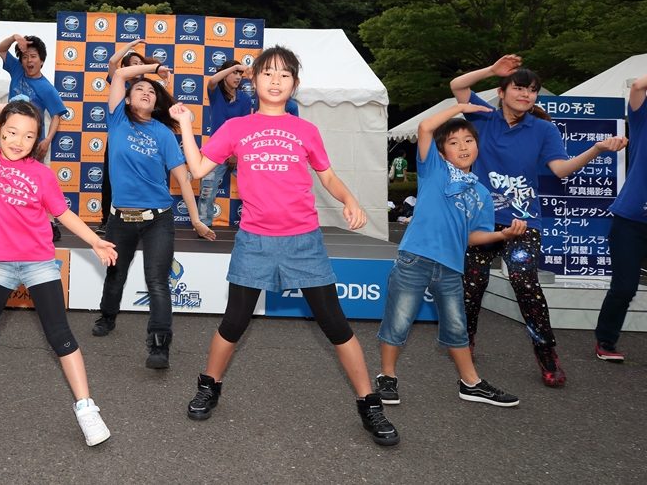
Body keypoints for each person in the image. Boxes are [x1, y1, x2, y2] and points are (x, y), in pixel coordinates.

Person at [171, 46, 400, 447]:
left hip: (303, 241)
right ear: (254, 81)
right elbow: (197, 168)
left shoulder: (306, 130)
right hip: (254, 241)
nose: (275, 80)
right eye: (267, 73)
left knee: (336, 325)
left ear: (295, 84)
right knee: (234, 322)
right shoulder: (236, 128)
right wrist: (186, 126)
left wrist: (350, 200)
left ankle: (370, 403)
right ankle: (209, 385)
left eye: (284, 74)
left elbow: (328, 177)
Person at [0, 99, 117, 447]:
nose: (19, 141)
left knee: (61, 336)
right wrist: (4, 105)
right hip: (0, 267)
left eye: (29, 135)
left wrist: (95, 241)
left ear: (37, 141)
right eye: (12, 132)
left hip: (39, 264)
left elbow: (64, 214)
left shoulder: (42, 175)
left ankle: (86, 408)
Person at [450, 55, 628, 387]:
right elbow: (457, 85)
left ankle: (547, 356)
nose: (526, 95)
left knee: (526, 284)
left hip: (523, 223)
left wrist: (596, 149)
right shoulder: (483, 117)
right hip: (480, 223)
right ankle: (465, 344)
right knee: (471, 287)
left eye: (532, 90)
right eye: (519, 88)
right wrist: (492, 70)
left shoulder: (544, 129)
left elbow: (560, 169)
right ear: (501, 92)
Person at [375, 103, 522, 409]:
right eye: (454, 143)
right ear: (442, 153)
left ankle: (471, 383)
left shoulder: (482, 193)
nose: (463, 147)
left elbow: (473, 236)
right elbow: (425, 128)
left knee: (457, 326)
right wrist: (460, 107)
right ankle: (387, 376)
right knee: (398, 320)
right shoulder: (434, 170)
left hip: (452, 266)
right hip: (415, 258)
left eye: (469, 140)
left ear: (478, 147)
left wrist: (503, 235)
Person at [91, 60, 215, 369]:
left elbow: (183, 178)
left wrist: (197, 220)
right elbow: (120, 73)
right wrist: (155, 68)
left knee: (157, 281)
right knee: (116, 274)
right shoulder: (117, 119)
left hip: (158, 219)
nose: (146, 92)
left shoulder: (163, 134)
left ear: (157, 102)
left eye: (151, 91)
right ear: (127, 99)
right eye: (140, 89)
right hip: (121, 219)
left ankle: (159, 345)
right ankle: (107, 316)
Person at [594, 72, 647, 362]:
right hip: (631, 219)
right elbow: (638, 85)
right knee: (624, 287)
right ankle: (606, 340)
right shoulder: (642, 119)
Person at [0, 33, 68, 241]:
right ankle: (15, 224)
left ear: (42, 60)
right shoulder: (17, 70)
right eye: (25, 56)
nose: (29, 61)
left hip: (33, 143)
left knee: (34, 184)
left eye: (33, 56)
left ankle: (50, 224)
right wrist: (14, 38)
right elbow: (0, 49)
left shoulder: (47, 87)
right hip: (9, 140)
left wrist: (47, 140)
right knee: (10, 183)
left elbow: (57, 116)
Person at [97, 39, 163, 235]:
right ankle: (107, 221)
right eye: (134, 63)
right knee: (111, 180)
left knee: (140, 181)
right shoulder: (120, 83)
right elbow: (112, 62)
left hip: (141, 141)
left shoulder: (149, 88)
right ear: (126, 67)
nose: (138, 66)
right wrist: (131, 44)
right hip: (118, 142)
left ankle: (138, 223)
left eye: (141, 64)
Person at [197, 60, 252, 229]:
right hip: (216, 151)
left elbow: (244, 128)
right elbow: (212, 81)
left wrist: (236, 153)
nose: (238, 76)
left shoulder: (245, 99)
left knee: (255, 187)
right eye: (234, 73)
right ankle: (204, 226)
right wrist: (235, 66)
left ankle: (255, 224)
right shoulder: (216, 93)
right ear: (225, 74)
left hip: (239, 151)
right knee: (207, 191)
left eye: (240, 74)